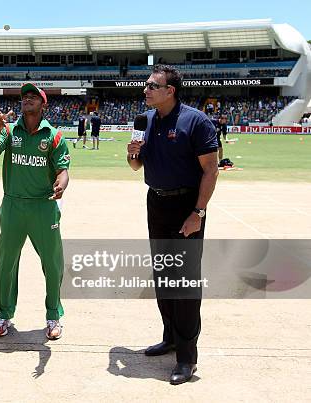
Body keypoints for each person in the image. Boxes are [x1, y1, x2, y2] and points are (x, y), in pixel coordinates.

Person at [126, 65, 218, 385]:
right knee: (164, 276)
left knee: (185, 283)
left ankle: (187, 357)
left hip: (186, 207)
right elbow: (136, 165)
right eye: (146, 85)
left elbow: (211, 170)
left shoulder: (196, 121)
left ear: (170, 91)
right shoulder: (146, 121)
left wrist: (198, 212)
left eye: (152, 86)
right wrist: (132, 154)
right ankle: (171, 338)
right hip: (157, 203)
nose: (146, 90)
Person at [0, 83, 71, 340]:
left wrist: (61, 184)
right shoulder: (10, 130)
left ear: (44, 105)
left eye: (34, 96)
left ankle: (53, 315)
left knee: (53, 264)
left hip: (43, 206)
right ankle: (4, 315)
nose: (28, 99)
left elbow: (63, 170)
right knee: (6, 263)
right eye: (24, 97)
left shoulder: (54, 136)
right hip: (13, 205)